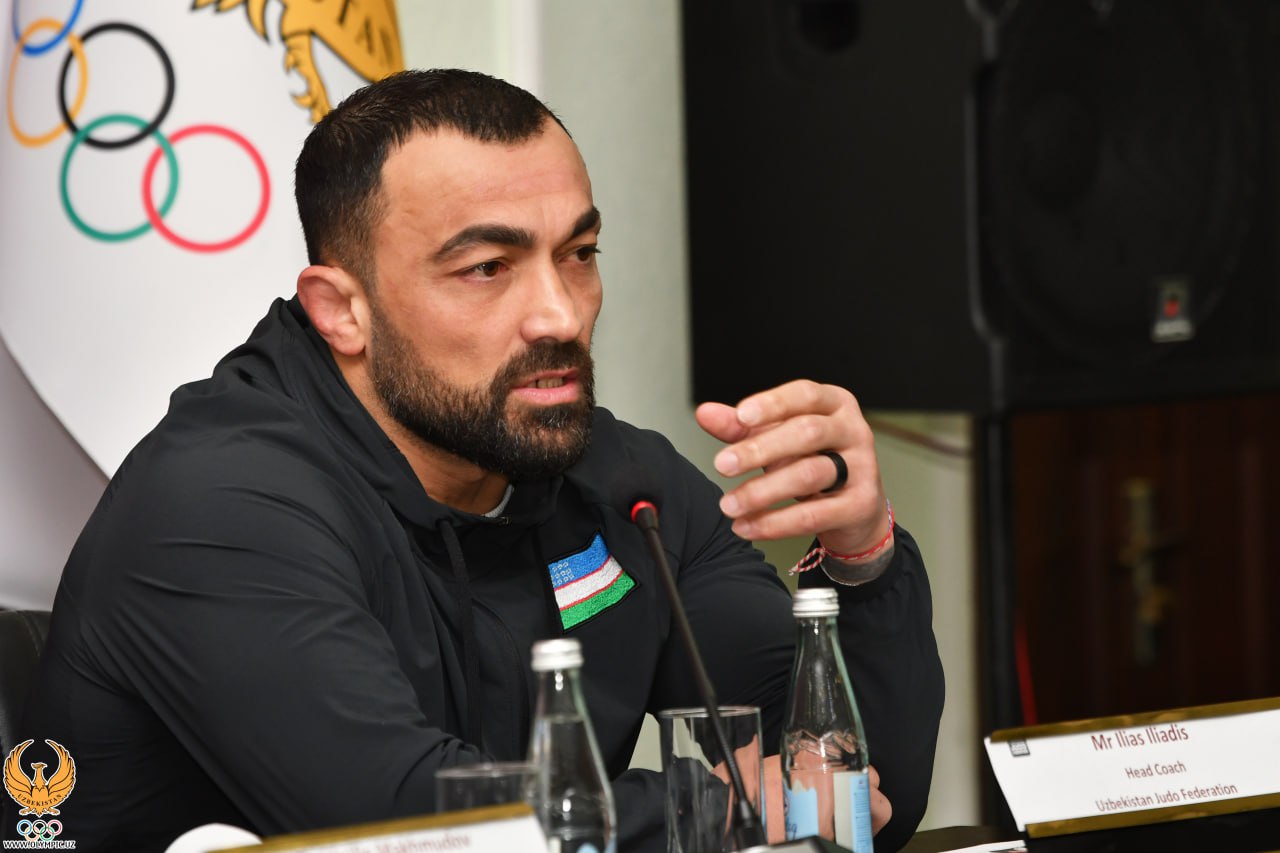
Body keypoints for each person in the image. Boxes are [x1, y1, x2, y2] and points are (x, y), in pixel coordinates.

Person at [9, 69, 944, 852]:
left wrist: (861, 556)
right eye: (488, 267)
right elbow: (415, 825)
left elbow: (861, 800)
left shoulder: (623, 486)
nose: (560, 314)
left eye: (579, 252)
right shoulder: (217, 505)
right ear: (341, 310)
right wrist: (731, 807)